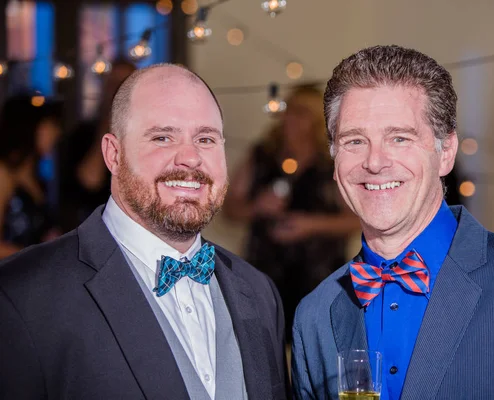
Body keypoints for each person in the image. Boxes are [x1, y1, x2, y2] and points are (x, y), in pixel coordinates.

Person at [291, 45, 494, 399]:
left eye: (400, 138)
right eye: (355, 140)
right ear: (334, 159)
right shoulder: (314, 315)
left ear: (446, 153)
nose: (375, 162)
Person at [0, 64, 289, 399]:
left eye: (206, 138)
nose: (190, 158)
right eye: (163, 137)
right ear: (114, 154)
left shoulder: (259, 292)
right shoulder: (21, 297)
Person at [223, 85, 359, 341]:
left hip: (319, 276)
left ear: (318, 121)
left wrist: (310, 225)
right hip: (264, 273)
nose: (292, 118)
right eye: (289, 109)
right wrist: (257, 207)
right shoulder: (263, 155)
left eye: (302, 112)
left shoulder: (331, 162)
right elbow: (230, 209)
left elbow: (356, 219)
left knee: (317, 344)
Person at [58, 59, 136, 232]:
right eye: (114, 85)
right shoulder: (83, 134)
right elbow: (88, 181)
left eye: (125, 85)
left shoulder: (146, 134)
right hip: (92, 227)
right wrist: (108, 123)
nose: (118, 92)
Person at [0, 93, 63, 258]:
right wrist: (41, 256)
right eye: (50, 125)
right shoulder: (4, 174)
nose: (57, 133)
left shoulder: (38, 178)